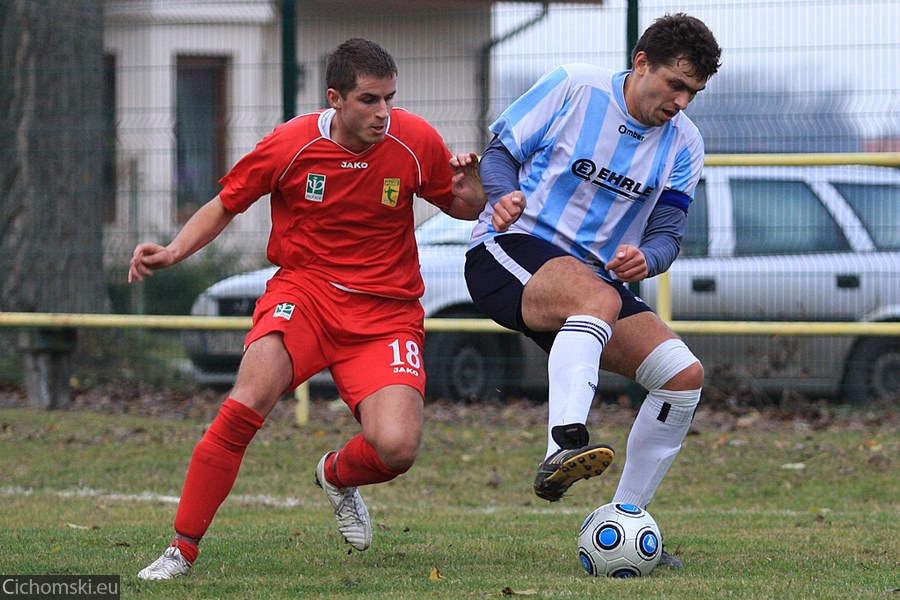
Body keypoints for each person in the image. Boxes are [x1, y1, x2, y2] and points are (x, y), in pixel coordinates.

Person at [129, 38, 485, 580]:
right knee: (246, 401)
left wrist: (476, 190)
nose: (384, 113)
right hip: (305, 296)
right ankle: (181, 550)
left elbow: (460, 204)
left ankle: (338, 475)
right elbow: (228, 202)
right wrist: (174, 251)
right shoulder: (290, 144)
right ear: (335, 99)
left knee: (397, 447)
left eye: (390, 97)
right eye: (369, 99)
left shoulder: (415, 141)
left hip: (386, 314)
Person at [465, 13, 721, 568]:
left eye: (693, 92)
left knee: (682, 377)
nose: (681, 101)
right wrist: (504, 194)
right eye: (675, 84)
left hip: (592, 285)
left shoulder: (685, 143)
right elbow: (499, 154)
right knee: (595, 298)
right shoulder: (574, 86)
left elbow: (668, 234)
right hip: (509, 250)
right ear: (641, 63)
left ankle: (625, 522)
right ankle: (562, 447)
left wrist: (646, 257)